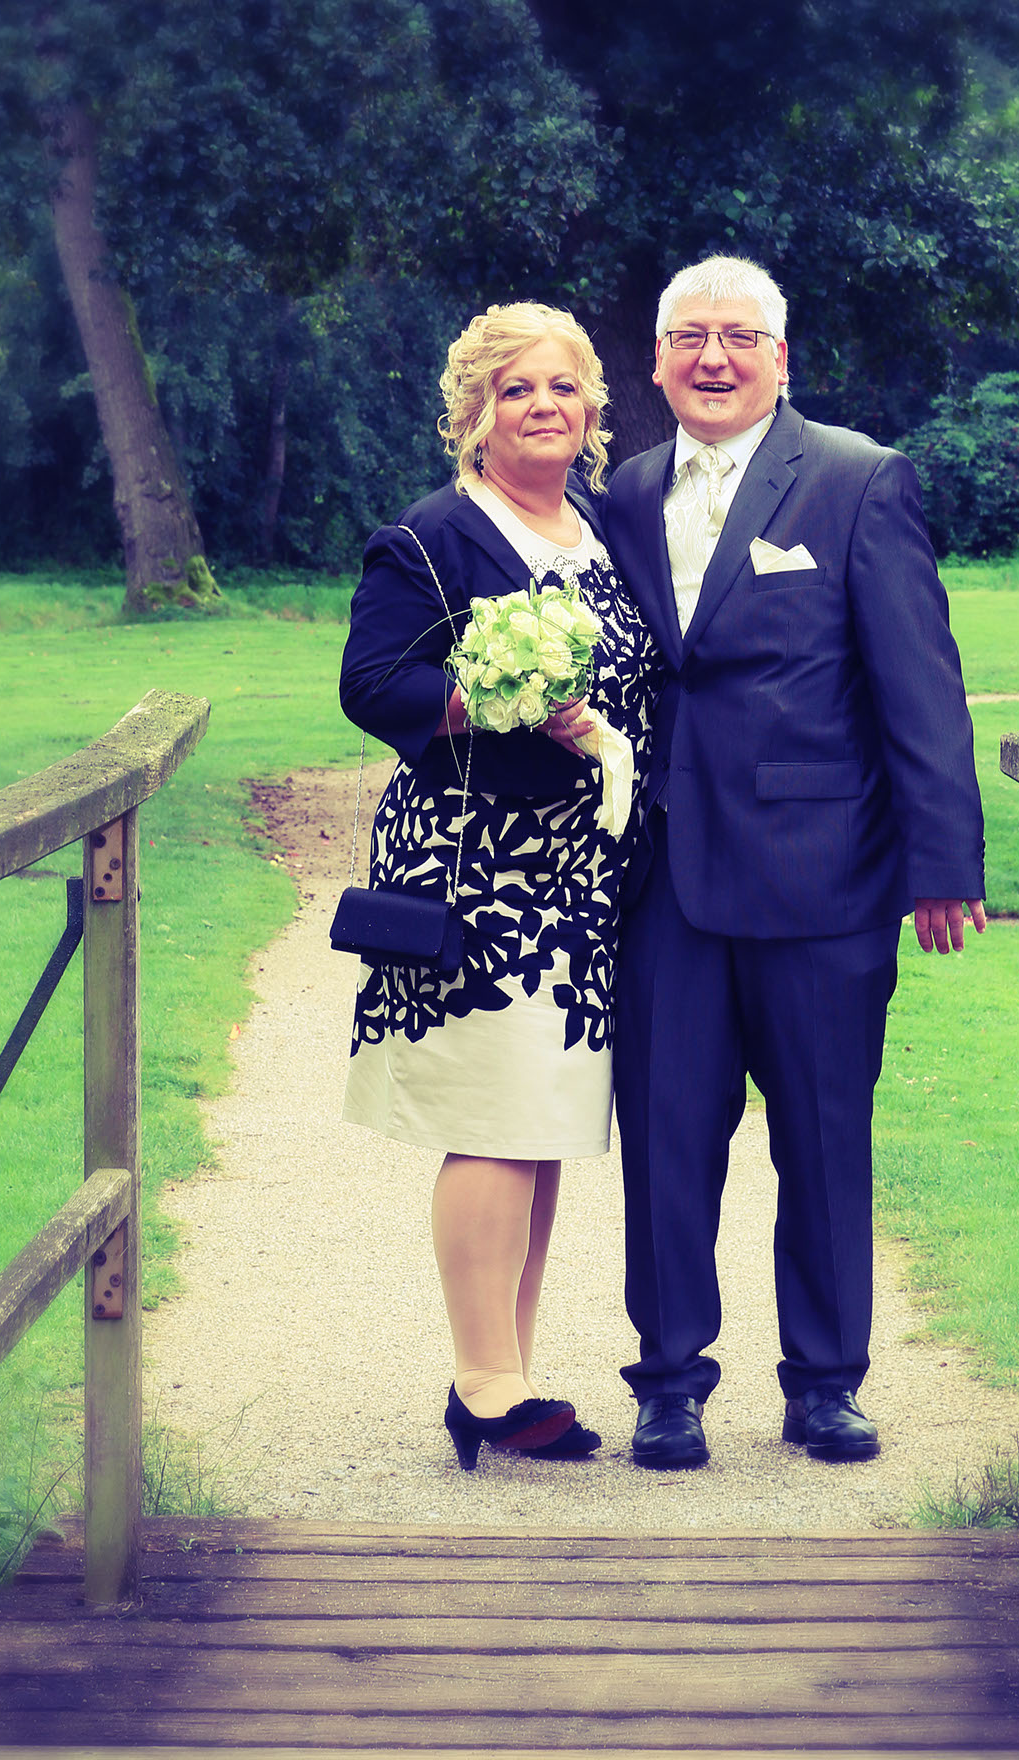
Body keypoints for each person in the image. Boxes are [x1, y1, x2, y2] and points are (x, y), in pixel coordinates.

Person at [601, 256, 985, 1471]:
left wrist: (942, 862)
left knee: (822, 1139)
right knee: (665, 1142)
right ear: (657, 358)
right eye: (688, 337)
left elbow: (918, 686)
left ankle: (824, 1384)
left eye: (737, 336)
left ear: (780, 356)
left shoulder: (858, 479)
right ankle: (668, 1383)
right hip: (662, 880)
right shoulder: (622, 492)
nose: (711, 357)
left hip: (822, 878)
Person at [339, 302, 662, 1470]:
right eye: (516, 387)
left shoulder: (600, 527)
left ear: (592, 408)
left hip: (581, 882)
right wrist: (493, 697)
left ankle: (502, 1371)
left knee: (540, 1119)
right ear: (475, 410)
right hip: (477, 875)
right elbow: (371, 682)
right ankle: (486, 1379)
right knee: (491, 1115)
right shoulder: (431, 537)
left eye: (563, 386)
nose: (543, 406)